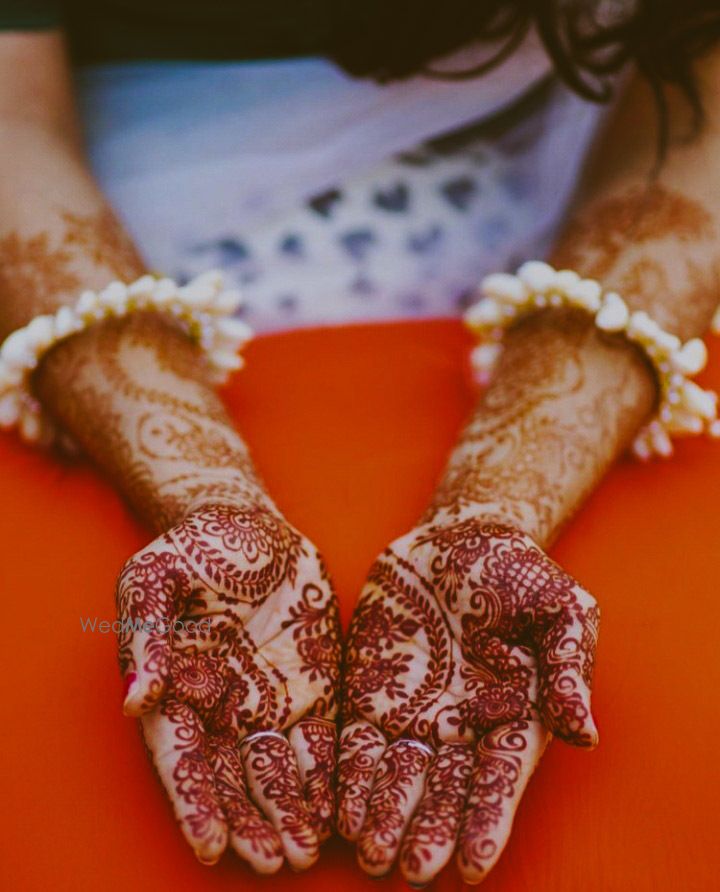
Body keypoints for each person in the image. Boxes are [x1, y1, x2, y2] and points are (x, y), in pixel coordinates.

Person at [1, 1, 719, 886]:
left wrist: (496, 507)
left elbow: (695, 117)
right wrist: (205, 497)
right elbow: (11, 128)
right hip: (99, 252)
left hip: (585, 252)